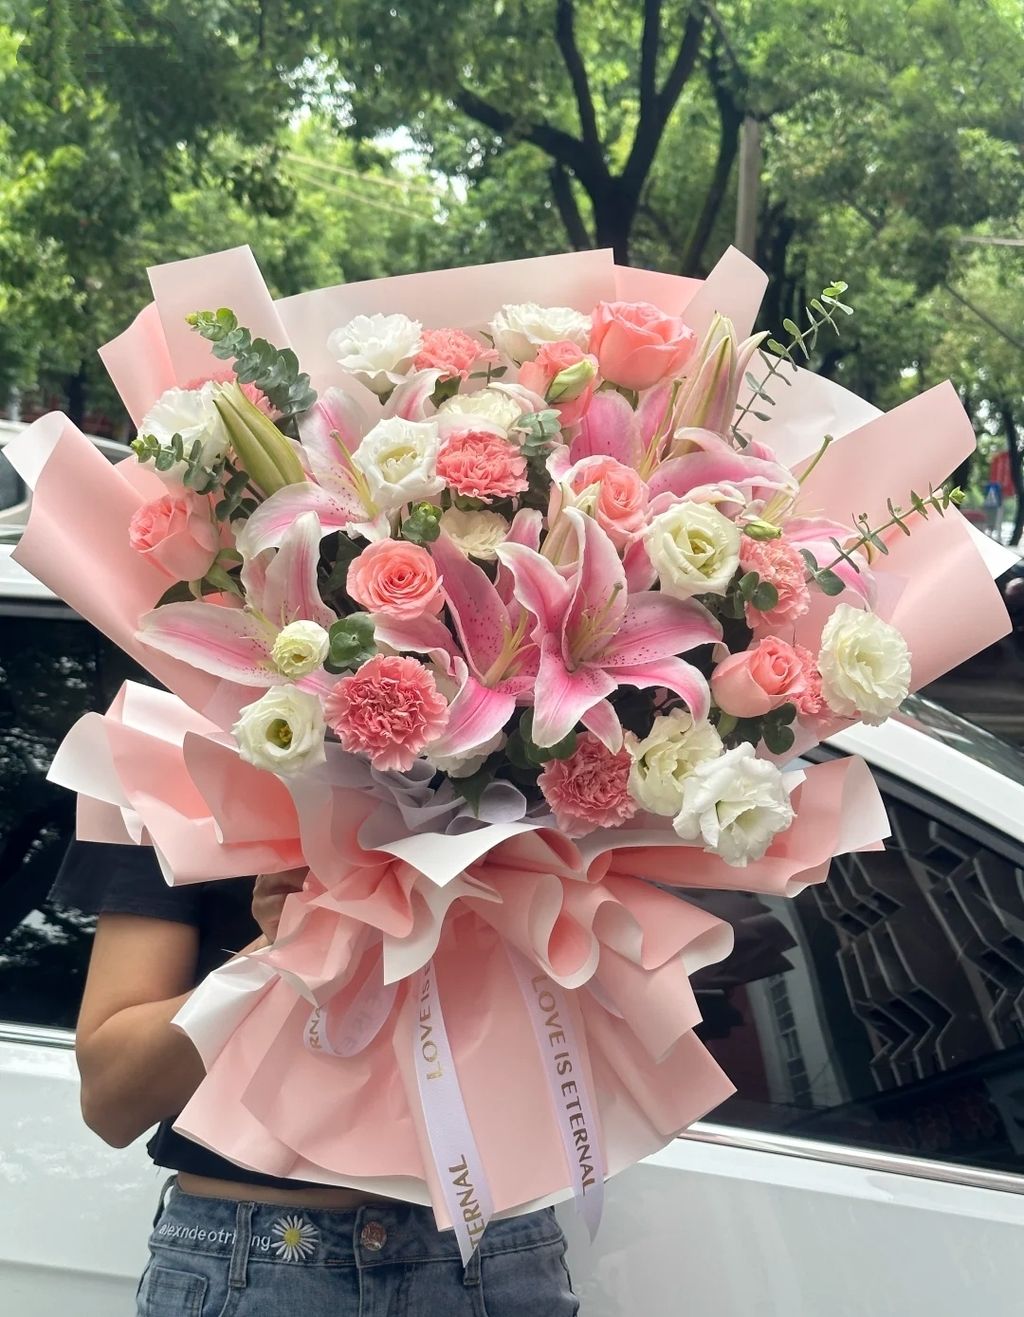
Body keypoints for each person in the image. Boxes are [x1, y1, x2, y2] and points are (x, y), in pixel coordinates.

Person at [52, 841, 580, 1315]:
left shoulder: (545, 787)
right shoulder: (172, 781)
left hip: (492, 1249)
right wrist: (289, 943)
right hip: (258, 1256)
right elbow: (113, 1100)